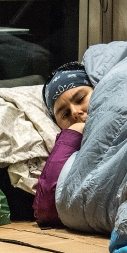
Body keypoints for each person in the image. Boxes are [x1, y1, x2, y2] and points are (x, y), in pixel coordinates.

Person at [32, 62, 93, 227]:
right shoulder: (71, 149)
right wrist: (73, 134)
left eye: (80, 99)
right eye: (65, 114)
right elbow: (46, 209)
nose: (75, 112)